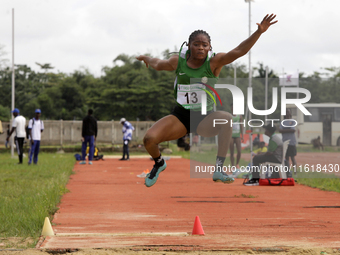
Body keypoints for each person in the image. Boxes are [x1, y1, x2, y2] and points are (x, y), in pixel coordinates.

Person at [136, 14, 277, 187]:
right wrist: (146, 58)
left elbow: (239, 51)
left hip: (205, 118)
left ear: (210, 48)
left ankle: (218, 168)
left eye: (204, 45)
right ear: (189, 46)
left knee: (226, 118)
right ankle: (159, 164)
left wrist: (259, 32)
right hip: (180, 117)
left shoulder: (214, 62)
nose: (200, 48)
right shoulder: (178, 61)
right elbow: (158, 63)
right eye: (196, 44)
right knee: (149, 139)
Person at [229, 104, 244, 169]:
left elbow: (241, 125)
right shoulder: (229, 116)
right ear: (231, 108)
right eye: (232, 108)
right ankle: (232, 166)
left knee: (239, 151)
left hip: (237, 136)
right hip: (231, 136)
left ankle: (237, 164)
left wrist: (242, 135)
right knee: (232, 152)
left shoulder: (239, 116)